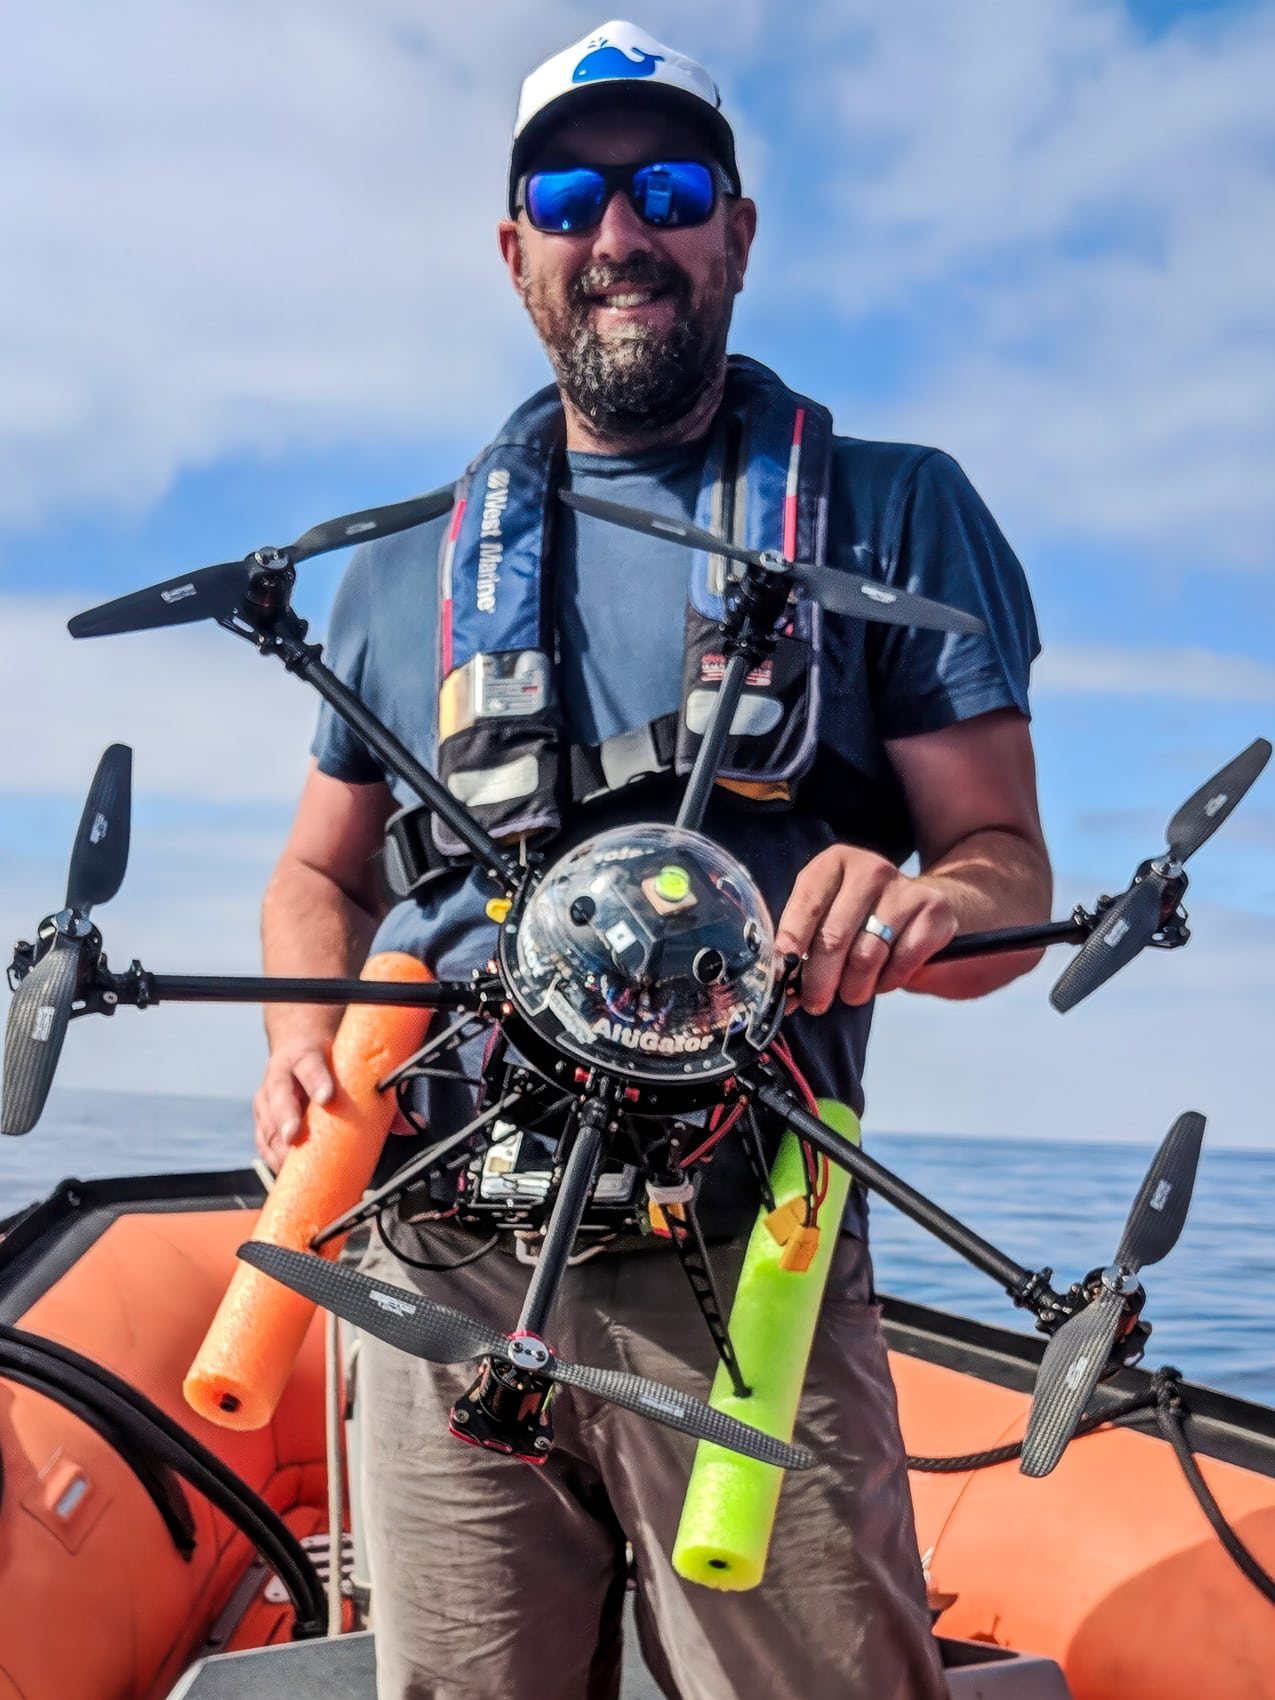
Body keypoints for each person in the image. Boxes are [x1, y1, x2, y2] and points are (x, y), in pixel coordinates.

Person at [253, 20, 1051, 1700]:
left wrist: (929, 904)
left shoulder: (895, 513)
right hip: (438, 1253)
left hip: (750, 1247)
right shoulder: (399, 571)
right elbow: (321, 876)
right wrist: (298, 1044)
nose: (620, 235)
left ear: (738, 234)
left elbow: (1004, 879)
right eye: (571, 194)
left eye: (670, 189)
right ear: (516, 248)